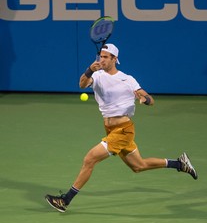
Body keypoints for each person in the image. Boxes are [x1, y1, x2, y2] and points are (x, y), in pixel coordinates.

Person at [45, 43, 198, 213]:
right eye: (100, 56)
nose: (101, 60)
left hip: (123, 130)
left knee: (90, 159)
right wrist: (89, 70)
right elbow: (82, 84)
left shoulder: (127, 79)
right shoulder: (97, 75)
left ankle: (65, 200)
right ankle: (179, 163)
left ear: (114, 59)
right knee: (138, 166)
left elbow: (149, 98)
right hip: (110, 129)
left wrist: (144, 99)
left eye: (105, 57)